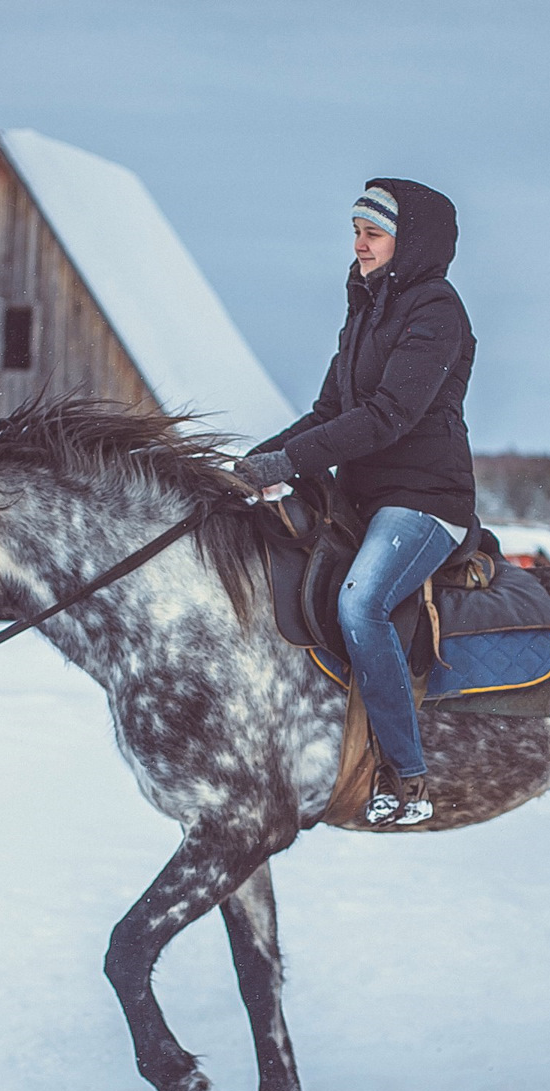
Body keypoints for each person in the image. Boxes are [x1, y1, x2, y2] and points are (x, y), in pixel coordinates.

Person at [234, 179, 478, 826]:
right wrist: (243, 467)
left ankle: (407, 774)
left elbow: (389, 414)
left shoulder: (436, 311)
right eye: (356, 231)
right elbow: (326, 413)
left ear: (410, 241)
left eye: (373, 233)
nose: (359, 244)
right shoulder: (367, 308)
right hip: (361, 499)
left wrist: (287, 464)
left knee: (361, 603)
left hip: (426, 500)